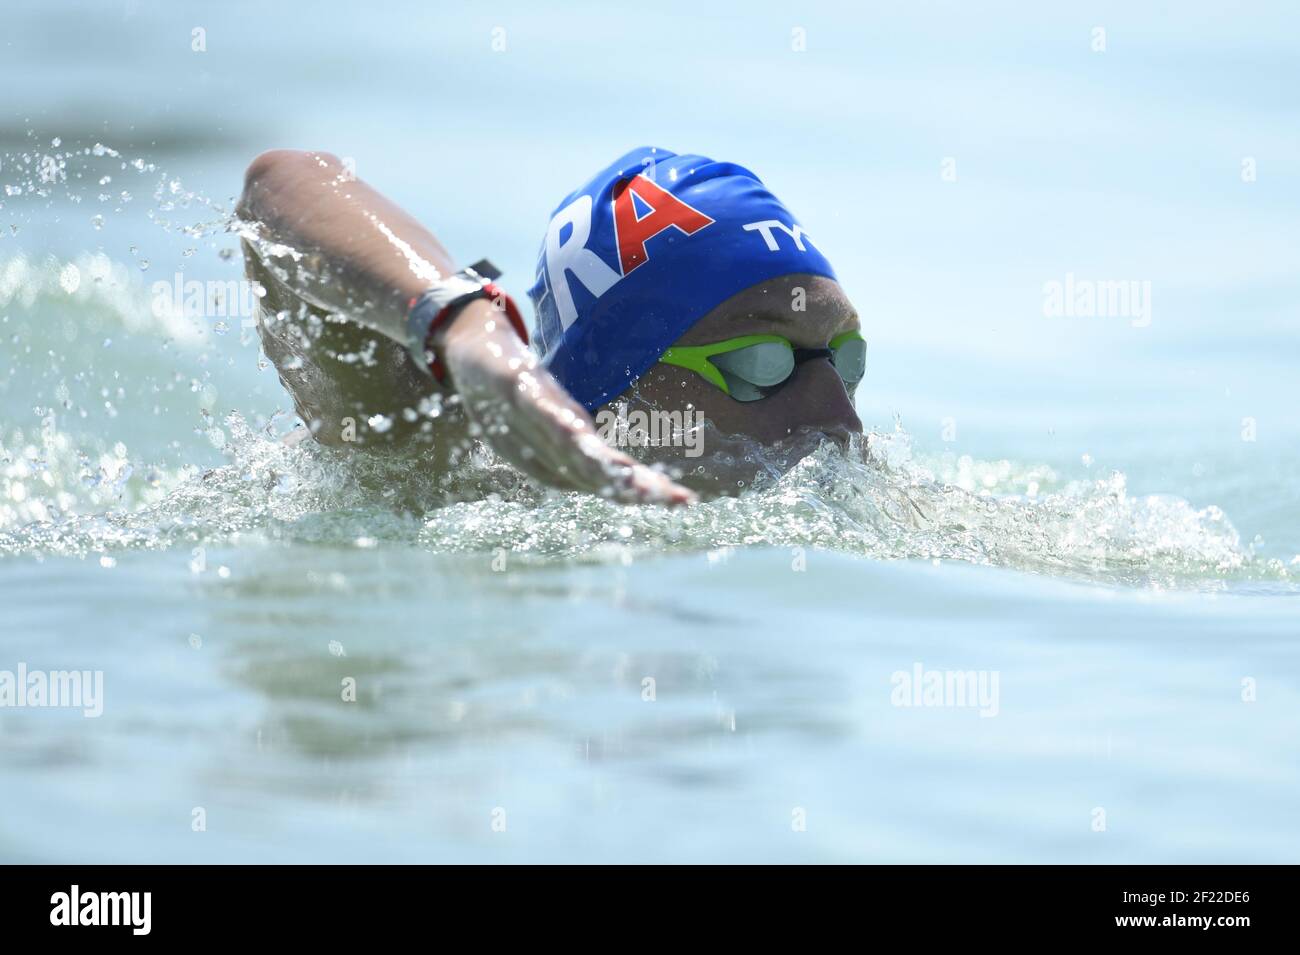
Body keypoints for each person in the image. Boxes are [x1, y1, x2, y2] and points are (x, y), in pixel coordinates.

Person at [236, 146, 865, 504]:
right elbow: (280, 188)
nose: (840, 417)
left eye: (847, 362)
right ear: (606, 390)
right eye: (758, 363)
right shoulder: (450, 466)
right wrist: (468, 329)